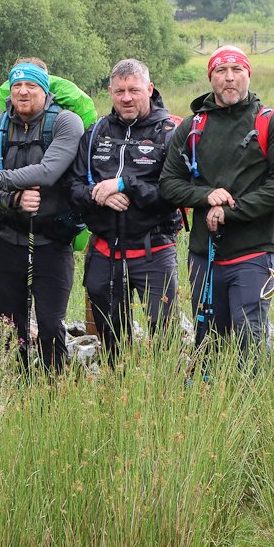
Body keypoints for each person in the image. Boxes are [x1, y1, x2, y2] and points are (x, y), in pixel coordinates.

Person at [160, 45, 274, 363]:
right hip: (204, 254)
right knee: (207, 341)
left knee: (249, 338)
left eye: (237, 70)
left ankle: (254, 396)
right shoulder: (192, 127)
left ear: (248, 75)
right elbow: (168, 183)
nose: (229, 77)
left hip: (253, 252)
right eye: (221, 71)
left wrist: (230, 211)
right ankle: (209, 394)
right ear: (211, 77)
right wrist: (205, 196)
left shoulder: (271, 123)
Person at [0, 59, 85, 372]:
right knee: (6, 325)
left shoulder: (66, 123)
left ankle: (53, 388)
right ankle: (12, 387)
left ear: (45, 90)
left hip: (53, 242)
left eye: (31, 85)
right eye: (17, 85)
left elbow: (48, 171)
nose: (23, 91)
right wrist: (14, 199)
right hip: (8, 239)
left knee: (50, 324)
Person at [68, 59, 181, 364]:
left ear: (150, 89)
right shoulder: (96, 132)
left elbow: (173, 195)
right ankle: (117, 384)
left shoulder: (170, 132)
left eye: (134, 90)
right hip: (105, 251)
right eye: (120, 91)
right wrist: (99, 195)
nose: (127, 98)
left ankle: (166, 386)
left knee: (165, 334)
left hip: (154, 249)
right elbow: (73, 187)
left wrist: (126, 185)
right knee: (111, 339)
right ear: (110, 92)